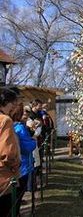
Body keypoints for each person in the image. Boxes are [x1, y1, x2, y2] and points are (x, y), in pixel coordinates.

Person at [12, 102, 36, 216]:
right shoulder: (20, 128)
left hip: (16, 165)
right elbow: (27, 147)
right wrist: (34, 140)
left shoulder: (12, 126)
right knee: (17, 196)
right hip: (23, 165)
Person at [0, 87, 20, 217]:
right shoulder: (5, 120)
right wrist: (15, 166)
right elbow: (8, 152)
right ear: (4, 102)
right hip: (4, 178)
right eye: (12, 103)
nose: (13, 107)